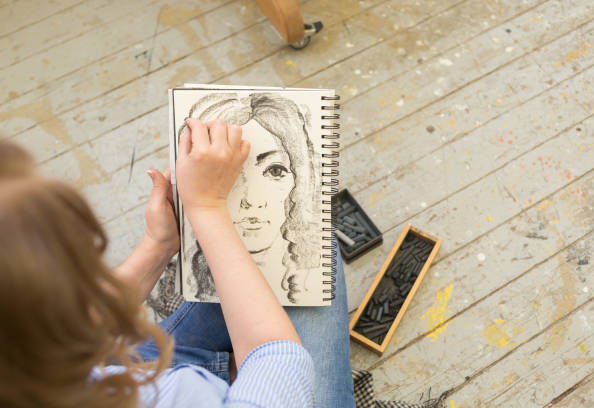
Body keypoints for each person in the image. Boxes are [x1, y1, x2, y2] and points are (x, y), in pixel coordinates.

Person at [0, 119, 356, 407]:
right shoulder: (176, 395)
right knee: (314, 249)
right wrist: (207, 207)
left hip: (108, 370)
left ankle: (221, 366)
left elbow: (68, 322)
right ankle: (225, 372)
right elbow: (280, 361)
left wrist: (159, 245)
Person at [180, 93, 320, 304]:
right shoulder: (190, 283)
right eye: (230, 174)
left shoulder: (309, 278)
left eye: (275, 170)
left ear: (299, 182)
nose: (253, 200)